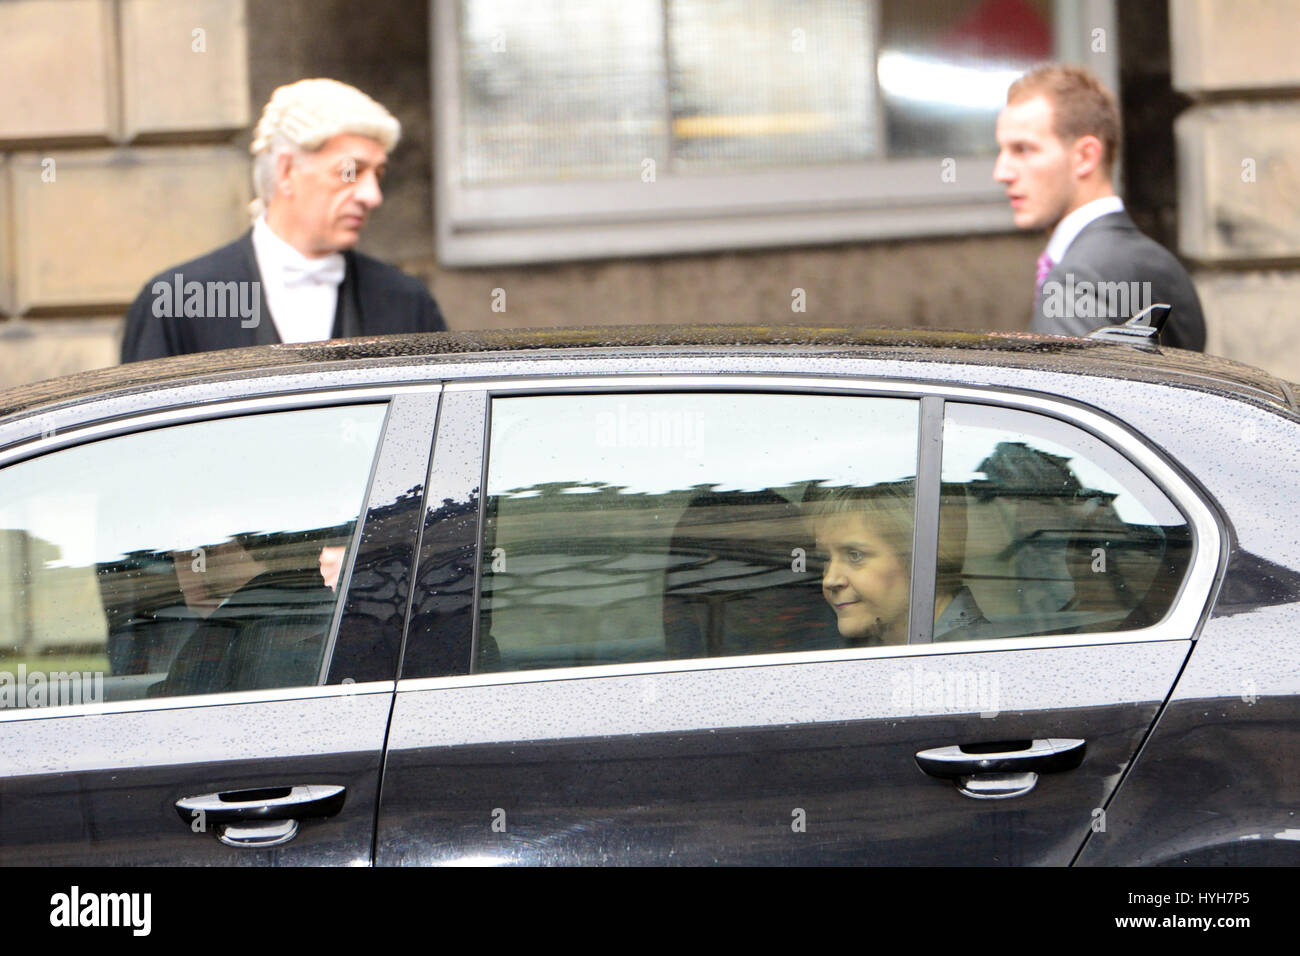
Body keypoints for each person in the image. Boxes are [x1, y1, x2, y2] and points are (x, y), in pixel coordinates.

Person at [121, 78, 446, 363]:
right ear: (287, 171)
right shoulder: (178, 301)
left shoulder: (407, 302)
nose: (372, 196)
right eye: (351, 171)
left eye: (378, 174)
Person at [993, 64, 1206, 351]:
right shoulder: (1164, 264)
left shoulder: (1075, 280)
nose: (1001, 172)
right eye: (1002, 150)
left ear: (1085, 156)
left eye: (1024, 149)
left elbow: (1069, 393)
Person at [809, 482, 990, 645]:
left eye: (855, 556)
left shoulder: (968, 666)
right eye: (825, 558)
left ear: (919, 558)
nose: (830, 580)